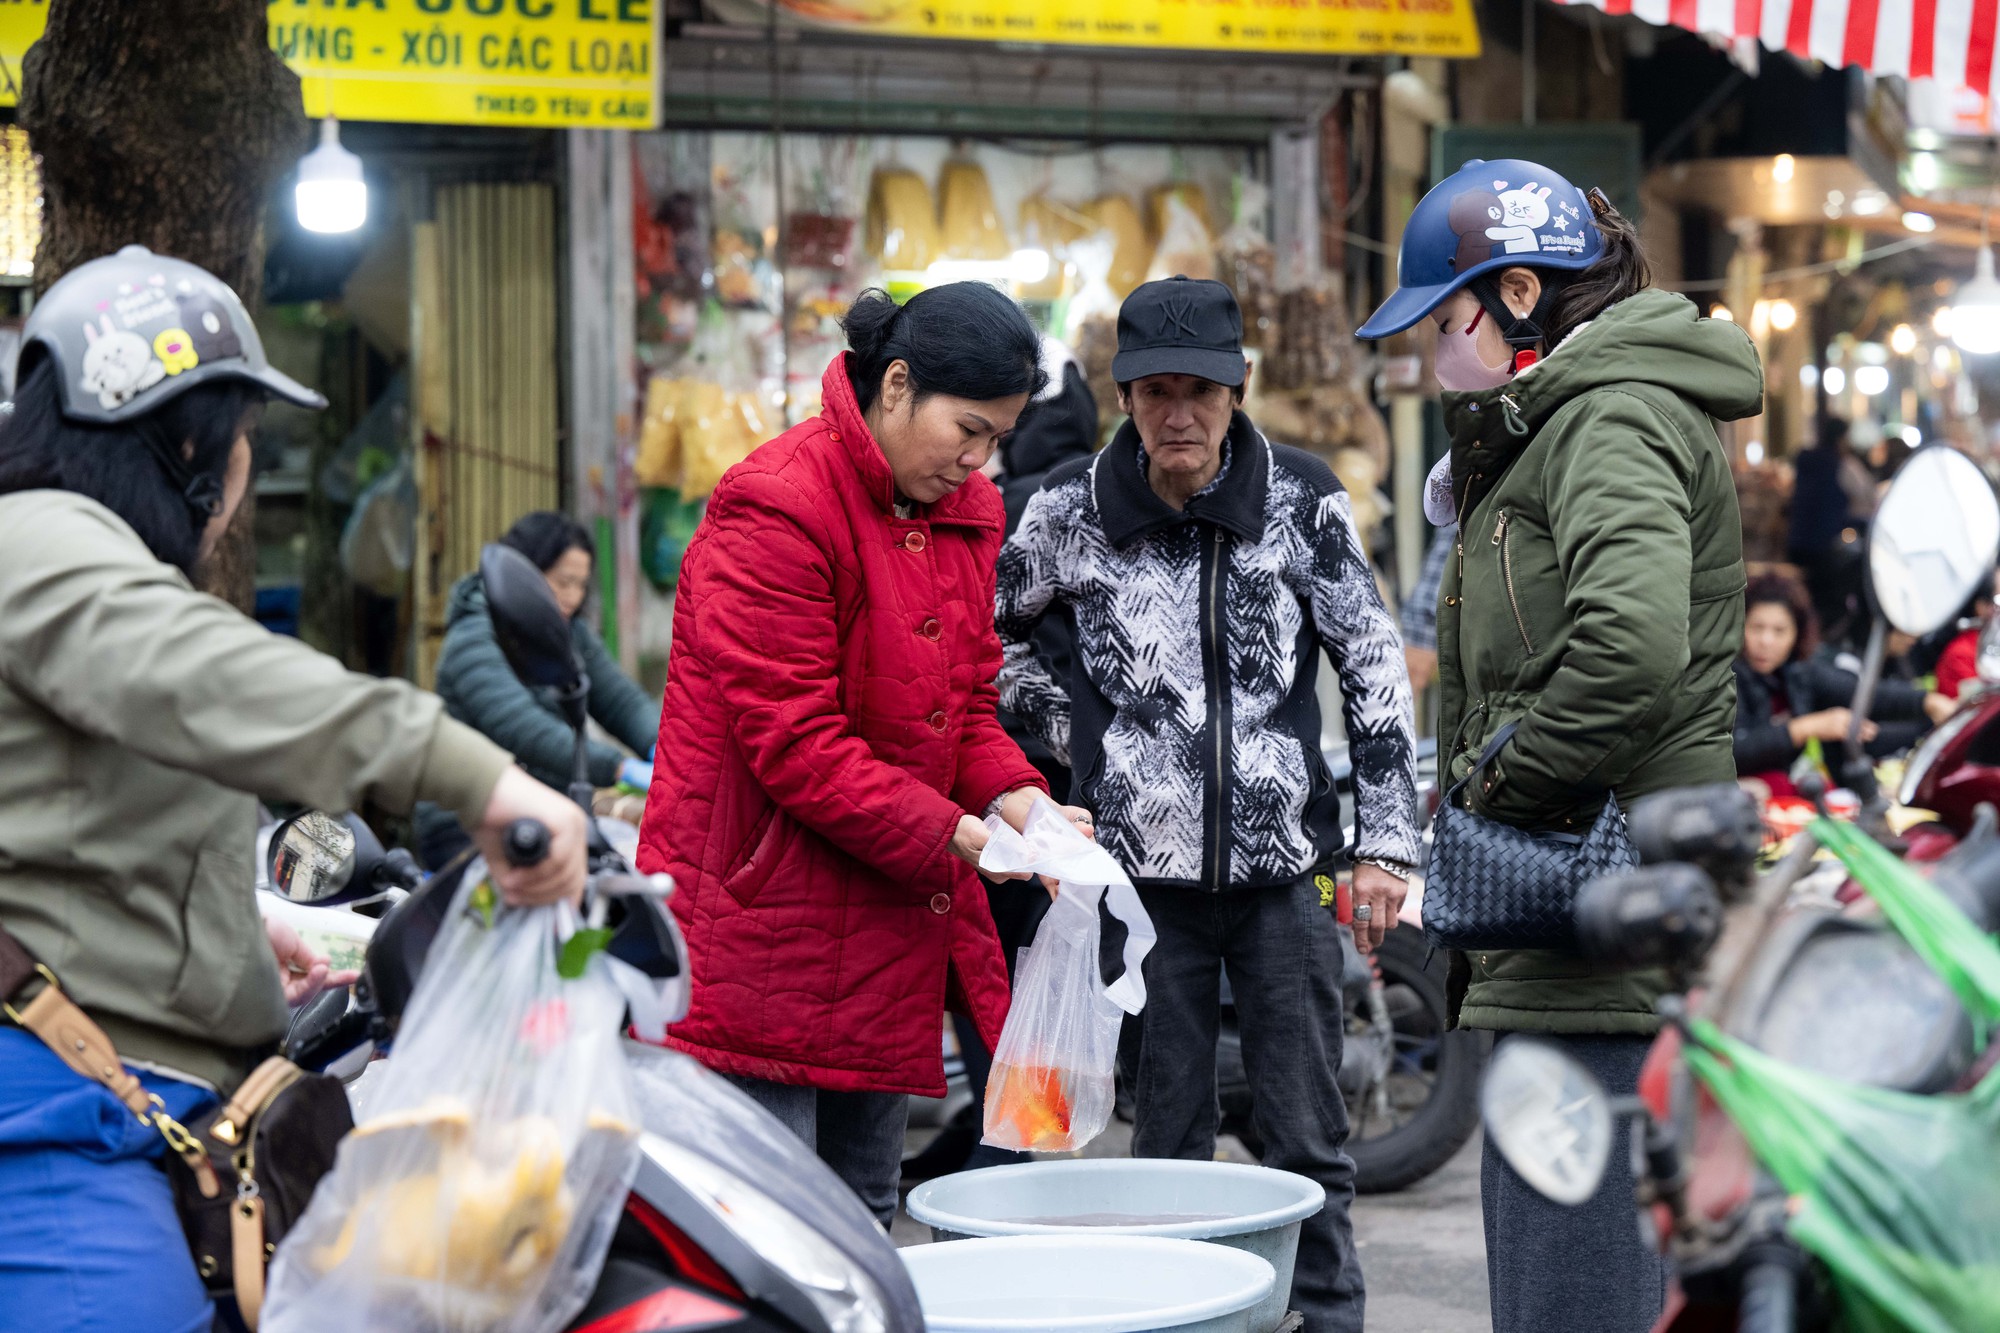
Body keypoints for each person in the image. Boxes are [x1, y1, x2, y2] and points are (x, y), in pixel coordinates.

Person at [0, 248, 586, 1333]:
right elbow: (211, 676)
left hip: (126, 1095)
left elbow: (63, 825)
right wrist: (479, 776)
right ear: (186, 444)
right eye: (242, 438)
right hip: (49, 1122)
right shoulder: (39, 543)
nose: (239, 472)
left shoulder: (65, 558)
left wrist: (238, 918)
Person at [1355, 159, 1762, 1333]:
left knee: (1573, 1290)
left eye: (1445, 322)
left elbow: (1627, 652)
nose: (1433, 354)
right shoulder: (1557, 422)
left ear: (1518, 297)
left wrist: (1486, 784)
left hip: (1603, 916)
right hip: (1578, 916)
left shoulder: (1609, 415)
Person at [997, 275, 1420, 1333]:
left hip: (1283, 880)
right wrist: (1071, 741)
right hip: (1145, 896)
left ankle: (1326, 1321)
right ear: (1122, 396)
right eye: (1153, 392)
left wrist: (1386, 848)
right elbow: (984, 640)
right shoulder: (1066, 509)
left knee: (1306, 1141)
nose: (1176, 414)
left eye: (1199, 390)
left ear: (1238, 390)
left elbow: (1370, 669)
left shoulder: (1301, 498)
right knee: (1166, 1149)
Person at [635, 284, 1091, 1225]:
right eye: (966, 428)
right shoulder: (774, 506)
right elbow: (795, 744)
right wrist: (964, 837)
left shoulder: (967, 514)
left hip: (881, 930)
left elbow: (961, 706)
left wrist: (1024, 803)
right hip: (757, 932)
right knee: (768, 1236)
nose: (978, 459)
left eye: (996, 439)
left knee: (864, 1224)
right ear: (895, 385)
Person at [905, 332, 1098, 1182]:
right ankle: (1004, 1149)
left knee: (998, 991)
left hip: (1006, 798)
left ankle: (1004, 1154)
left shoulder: (985, 511)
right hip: (1013, 801)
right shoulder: (1069, 504)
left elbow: (974, 680)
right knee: (1013, 998)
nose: (975, 458)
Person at [416, 510, 661, 868]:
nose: (573, 596)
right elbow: (523, 729)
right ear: (524, 576)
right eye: (563, 582)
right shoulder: (472, 638)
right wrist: (619, 768)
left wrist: (664, 747)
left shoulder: (567, 633)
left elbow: (621, 701)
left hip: (540, 808)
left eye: (581, 584)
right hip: (466, 823)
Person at [1735, 572, 1939, 791]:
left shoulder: (1798, 672)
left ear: (1797, 634)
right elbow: (1733, 749)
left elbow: (1860, 693)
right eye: (1757, 628)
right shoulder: (1724, 676)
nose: (1766, 641)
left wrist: (1929, 702)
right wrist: (1804, 728)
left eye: (1779, 631)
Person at [1788, 416, 1875, 641]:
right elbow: (1866, 499)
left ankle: (1807, 635)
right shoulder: (1843, 464)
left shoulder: (1804, 459)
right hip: (1829, 547)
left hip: (1797, 543)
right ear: (1842, 438)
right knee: (1831, 600)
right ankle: (1821, 639)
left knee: (1810, 595)